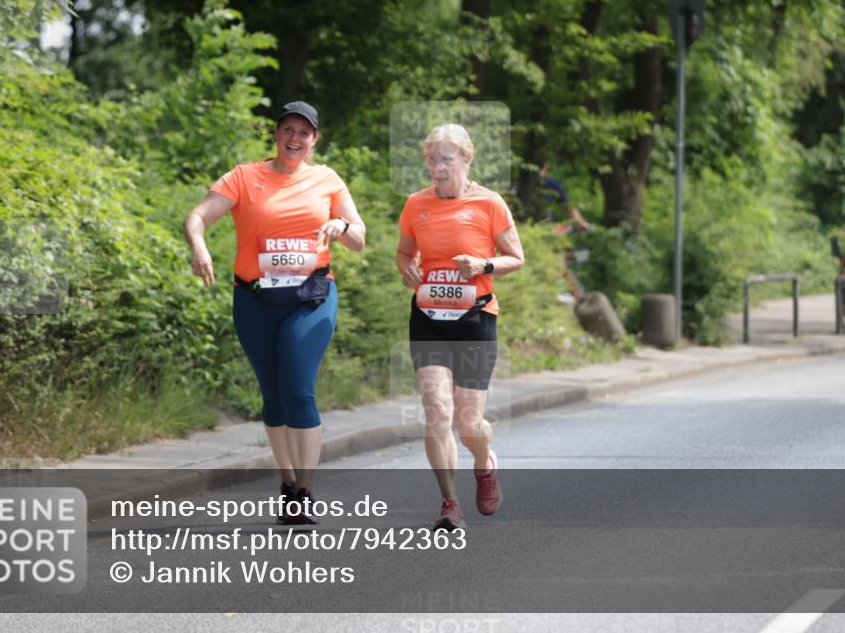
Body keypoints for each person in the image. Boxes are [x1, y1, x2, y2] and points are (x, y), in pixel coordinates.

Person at [184, 101, 365, 524]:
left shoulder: (327, 179)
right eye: (288, 130)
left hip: (312, 296)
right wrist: (199, 245)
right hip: (254, 298)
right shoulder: (245, 177)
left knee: (298, 389)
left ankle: (305, 489)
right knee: (272, 394)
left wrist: (340, 228)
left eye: (304, 132)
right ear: (276, 135)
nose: (295, 139)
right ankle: (286, 482)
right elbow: (197, 215)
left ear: (314, 139)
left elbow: (359, 236)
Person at [396, 123, 525, 531]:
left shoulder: (490, 204)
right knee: (437, 411)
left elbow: (515, 257)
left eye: (446, 159)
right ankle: (449, 503)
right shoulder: (416, 204)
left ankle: (484, 463)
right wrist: (408, 269)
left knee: (469, 422)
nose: (437, 167)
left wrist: (483, 265)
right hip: (429, 317)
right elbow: (403, 252)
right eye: (431, 160)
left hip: (475, 318)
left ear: (466, 160)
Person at [540, 161, 590, 232]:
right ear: (545, 167)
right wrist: (582, 223)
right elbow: (568, 206)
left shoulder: (521, 183)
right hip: (542, 228)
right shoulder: (551, 184)